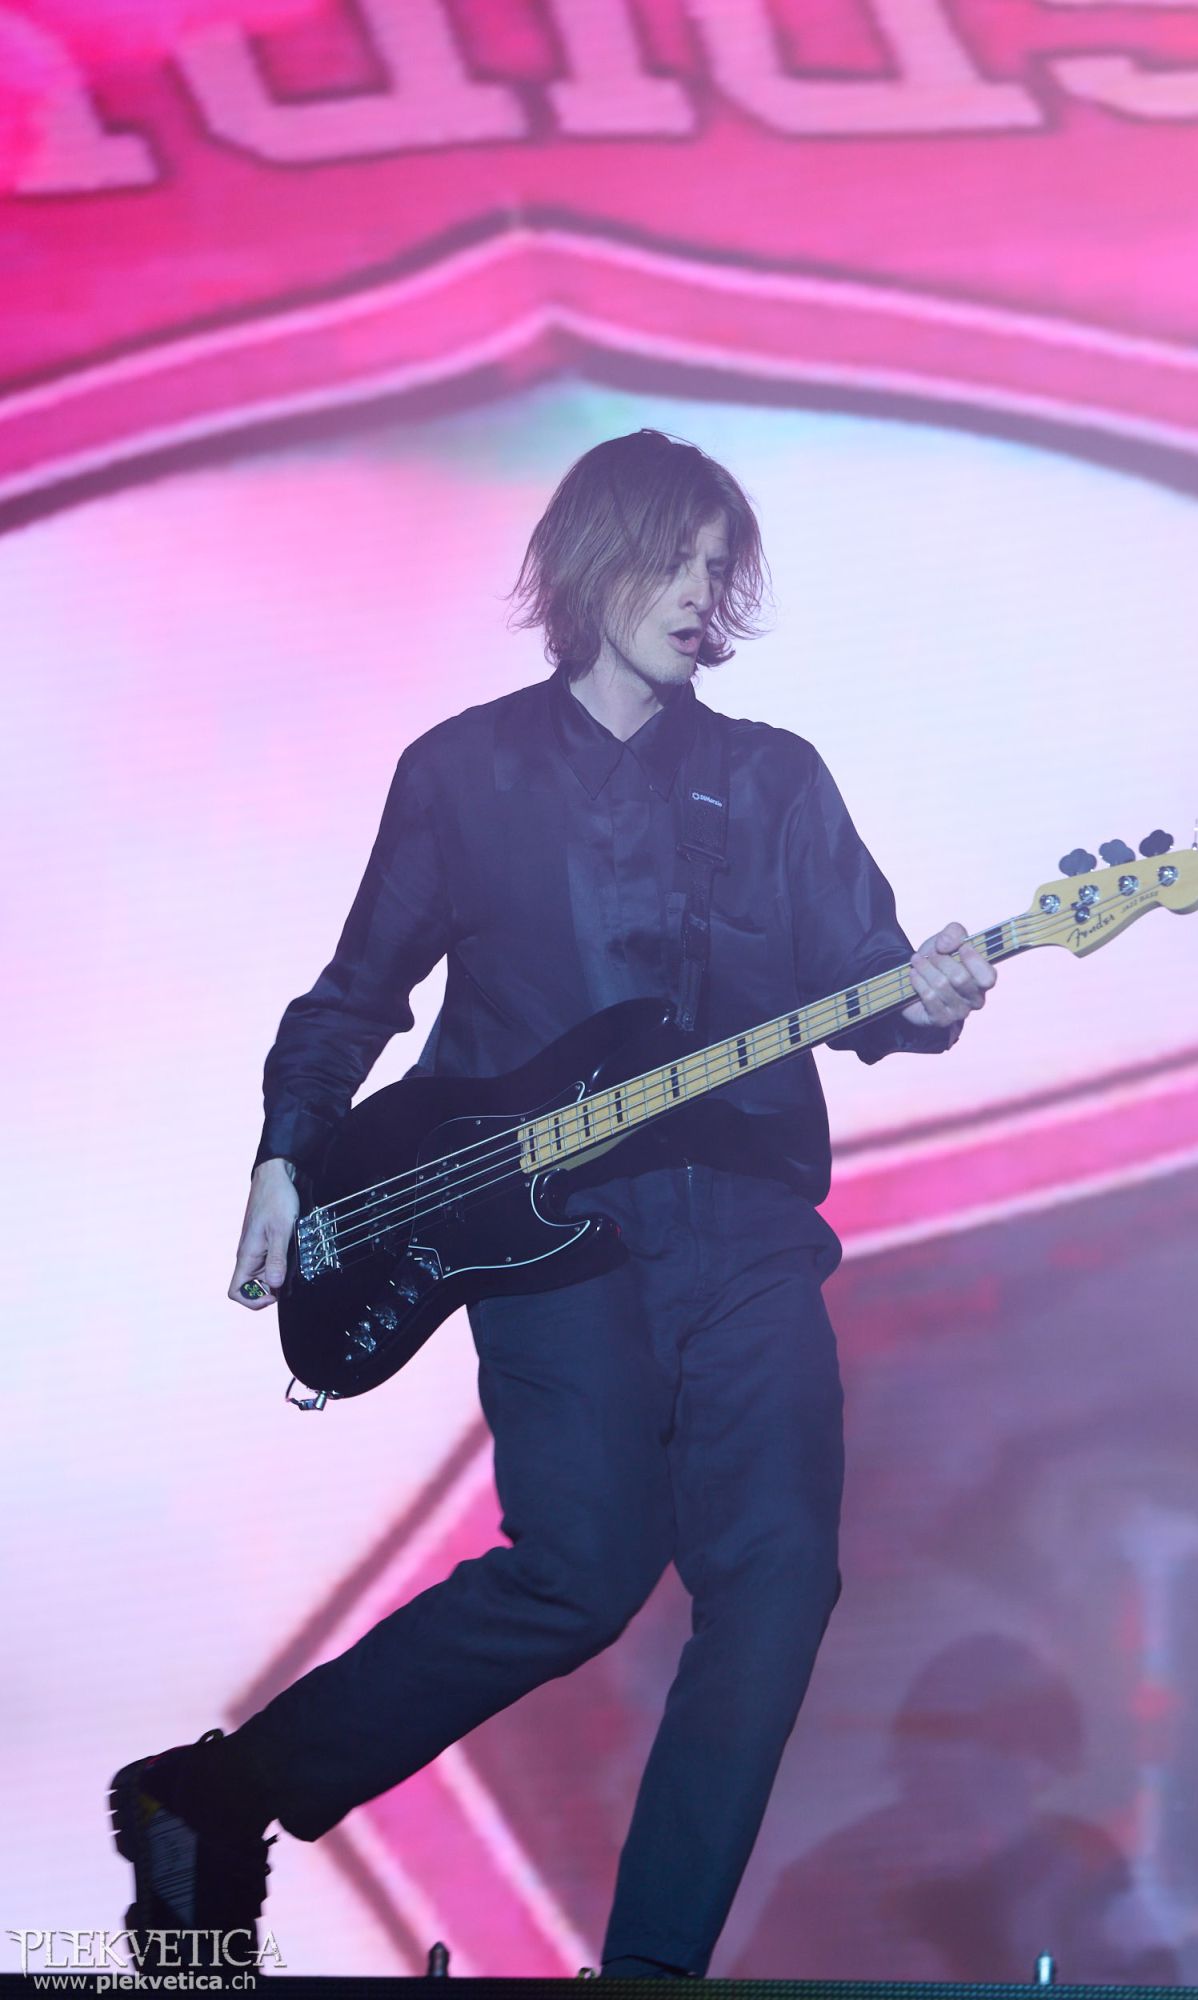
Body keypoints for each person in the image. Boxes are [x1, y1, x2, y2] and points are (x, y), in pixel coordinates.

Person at [110, 429, 997, 1978]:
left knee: (777, 1580)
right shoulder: (464, 772)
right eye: (674, 557)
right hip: (540, 1236)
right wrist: (283, 1151)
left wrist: (929, 996)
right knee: (578, 1570)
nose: (702, 592)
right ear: (593, 561)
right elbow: (356, 992)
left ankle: (648, 1970)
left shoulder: (772, 779)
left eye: (720, 566)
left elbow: (864, 983)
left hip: (741, 1226)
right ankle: (219, 1797)